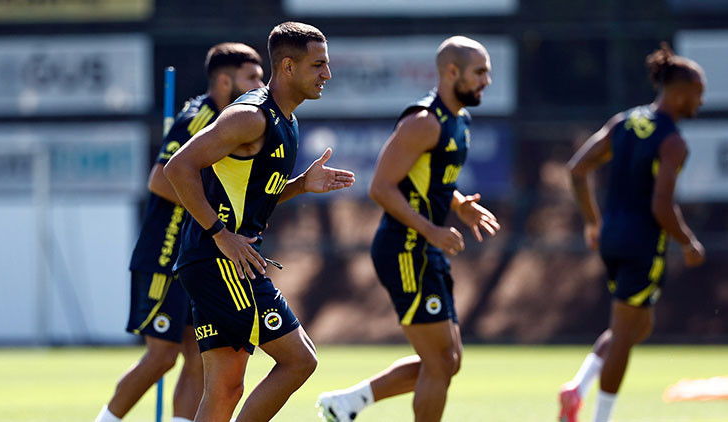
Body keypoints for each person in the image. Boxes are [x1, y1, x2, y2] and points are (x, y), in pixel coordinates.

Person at [163, 22, 355, 422]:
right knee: (299, 360)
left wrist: (301, 185)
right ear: (288, 67)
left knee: (225, 387)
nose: (327, 73)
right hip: (220, 263)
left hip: (219, 260)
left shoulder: (287, 120)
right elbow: (178, 167)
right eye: (318, 64)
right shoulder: (249, 117)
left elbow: (251, 193)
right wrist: (220, 235)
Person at [317, 36, 500, 422]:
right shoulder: (423, 122)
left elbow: (429, 181)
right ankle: (348, 403)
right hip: (404, 248)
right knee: (440, 361)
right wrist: (431, 230)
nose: (487, 80)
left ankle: (348, 402)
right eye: (480, 72)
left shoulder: (459, 121)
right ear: (452, 72)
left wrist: (458, 206)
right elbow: (381, 187)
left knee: (448, 361)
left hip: (425, 248)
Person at [94, 42, 265, 422]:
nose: (260, 85)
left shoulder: (236, 121)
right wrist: (210, 212)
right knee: (161, 356)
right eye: (252, 77)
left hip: (194, 256)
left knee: (196, 356)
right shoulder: (200, 117)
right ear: (225, 81)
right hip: (164, 251)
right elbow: (159, 178)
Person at [559, 43, 706, 422]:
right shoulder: (673, 142)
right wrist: (688, 243)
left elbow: (577, 169)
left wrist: (593, 222)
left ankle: (577, 388)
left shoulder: (624, 122)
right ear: (680, 94)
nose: (700, 102)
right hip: (642, 244)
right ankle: (601, 418)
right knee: (625, 334)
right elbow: (661, 207)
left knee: (638, 325)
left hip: (612, 238)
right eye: (697, 94)